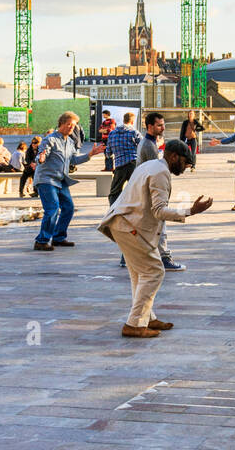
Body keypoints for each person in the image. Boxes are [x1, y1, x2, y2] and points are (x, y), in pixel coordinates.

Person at [99, 139, 213, 338]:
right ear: (174, 156)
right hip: (130, 226)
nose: (187, 167)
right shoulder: (160, 172)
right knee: (154, 271)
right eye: (186, 162)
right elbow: (159, 211)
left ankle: (146, 318)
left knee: (140, 274)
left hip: (123, 224)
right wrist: (190, 211)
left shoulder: (148, 165)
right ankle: (134, 324)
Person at [32, 112, 105, 251]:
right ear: (61, 124)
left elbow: (74, 160)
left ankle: (58, 237)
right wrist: (40, 159)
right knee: (52, 209)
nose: (72, 128)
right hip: (46, 179)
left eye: (74, 126)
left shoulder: (70, 142)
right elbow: (42, 153)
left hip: (61, 180)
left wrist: (90, 154)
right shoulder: (50, 139)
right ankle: (41, 241)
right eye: (69, 125)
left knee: (68, 208)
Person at [136, 112, 184, 270]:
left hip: (145, 189)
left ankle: (128, 255)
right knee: (159, 223)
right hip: (150, 190)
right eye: (159, 125)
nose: (163, 128)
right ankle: (164, 258)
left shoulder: (149, 142)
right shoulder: (149, 145)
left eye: (163, 124)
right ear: (149, 126)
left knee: (145, 225)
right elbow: (154, 170)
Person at [104, 112, 143, 206]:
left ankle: (113, 212)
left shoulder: (112, 134)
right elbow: (143, 147)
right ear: (132, 121)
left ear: (123, 120)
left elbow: (108, 154)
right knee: (138, 191)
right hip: (133, 164)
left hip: (119, 166)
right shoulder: (134, 132)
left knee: (114, 192)